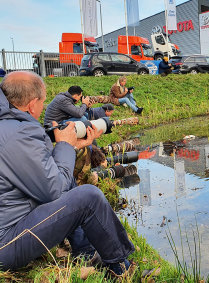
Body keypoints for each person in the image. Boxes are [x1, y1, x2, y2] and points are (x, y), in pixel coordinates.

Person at [0, 71, 135, 277]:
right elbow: (53, 190)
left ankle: (86, 253)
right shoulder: (17, 133)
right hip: (7, 242)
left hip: (10, 223)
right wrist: (64, 144)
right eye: (43, 102)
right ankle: (121, 269)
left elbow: (44, 173)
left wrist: (71, 147)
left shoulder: (8, 126)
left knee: (68, 180)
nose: (43, 108)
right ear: (32, 104)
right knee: (89, 198)